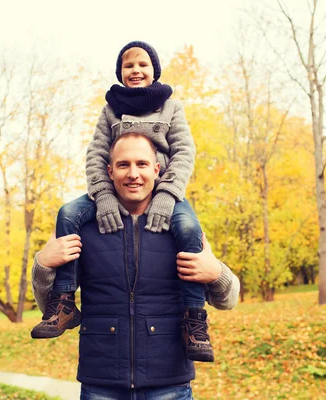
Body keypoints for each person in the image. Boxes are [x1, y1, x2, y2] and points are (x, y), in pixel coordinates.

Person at [31, 41, 213, 361]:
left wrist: (167, 195)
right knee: (68, 213)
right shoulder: (111, 108)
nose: (136, 70)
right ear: (120, 73)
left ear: (154, 71)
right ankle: (63, 303)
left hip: (165, 192)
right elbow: (96, 154)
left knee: (188, 228)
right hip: (112, 194)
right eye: (129, 66)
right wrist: (102, 196)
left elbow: (185, 152)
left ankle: (194, 319)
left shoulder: (171, 106)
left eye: (143, 64)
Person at [31, 133, 240, 399]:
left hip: (169, 384)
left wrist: (217, 273)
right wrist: (43, 264)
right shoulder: (84, 227)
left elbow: (229, 300)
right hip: (101, 384)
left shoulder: (181, 227)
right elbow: (50, 307)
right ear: (109, 171)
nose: (133, 174)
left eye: (141, 164)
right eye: (123, 165)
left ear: (156, 170)